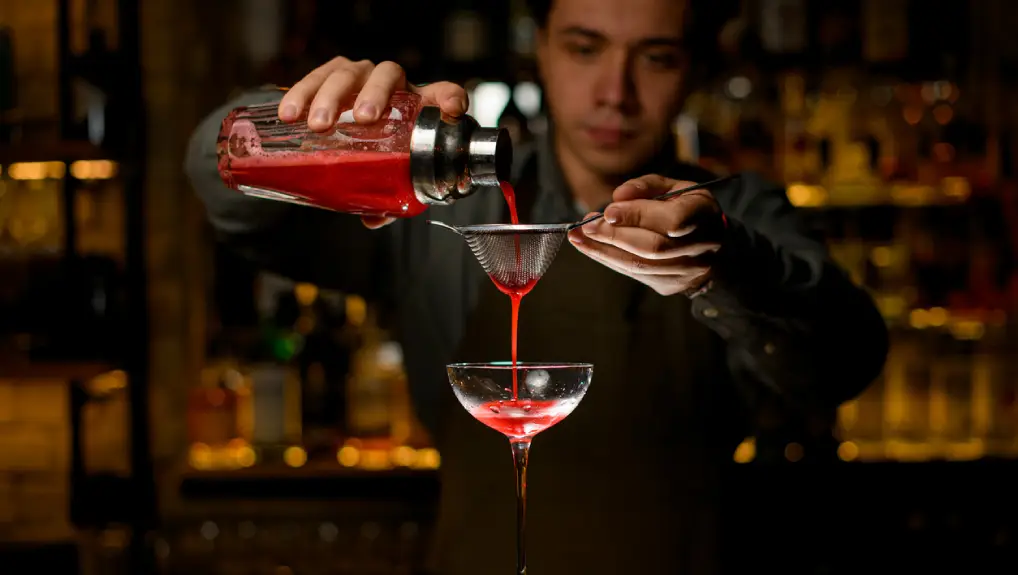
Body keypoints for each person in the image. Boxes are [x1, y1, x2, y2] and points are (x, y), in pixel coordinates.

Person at [185, 0, 889, 572]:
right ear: (542, 49)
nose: (615, 92)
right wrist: (309, 119)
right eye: (585, 48)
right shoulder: (432, 201)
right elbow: (220, 193)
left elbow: (845, 360)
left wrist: (729, 267)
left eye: (656, 57)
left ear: (694, 69)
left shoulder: (741, 214)